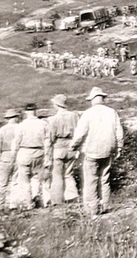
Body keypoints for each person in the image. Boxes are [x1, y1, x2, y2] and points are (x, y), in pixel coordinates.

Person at [71, 87, 124, 216]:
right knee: (104, 179)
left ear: (92, 100)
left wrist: (74, 146)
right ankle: (105, 206)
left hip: (92, 151)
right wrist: (119, 147)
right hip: (108, 150)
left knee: (91, 179)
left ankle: (92, 209)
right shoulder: (112, 112)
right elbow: (119, 132)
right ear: (103, 99)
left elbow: (80, 134)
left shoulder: (88, 113)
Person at [11, 103, 51, 209]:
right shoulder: (43, 124)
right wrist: (47, 156)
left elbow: (16, 142)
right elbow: (48, 142)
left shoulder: (21, 125)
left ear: (25, 112)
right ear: (35, 111)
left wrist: (14, 155)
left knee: (24, 180)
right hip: (39, 152)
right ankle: (38, 197)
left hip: (24, 152)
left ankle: (29, 203)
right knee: (38, 178)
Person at [46, 94, 80, 205]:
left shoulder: (53, 119)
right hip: (71, 147)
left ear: (56, 105)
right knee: (68, 174)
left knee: (57, 176)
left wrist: (47, 153)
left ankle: (57, 201)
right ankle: (72, 197)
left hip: (58, 148)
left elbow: (50, 138)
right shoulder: (74, 116)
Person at [0, 109, 21, 207]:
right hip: (19, 155)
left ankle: (0, 205)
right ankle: (14, 205)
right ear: (16, 117)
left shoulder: (2, 130)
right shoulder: (21, 127)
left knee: (2, 183)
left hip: (5, 156)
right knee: (16, 182)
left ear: (7, 119)